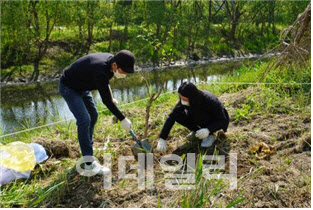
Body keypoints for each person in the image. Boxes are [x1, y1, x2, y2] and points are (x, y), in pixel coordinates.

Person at [59, 50, 135, 175]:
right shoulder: (100, 69)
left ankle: (88, 145)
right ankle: (89, 163)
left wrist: (110, 96)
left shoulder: (111, 63)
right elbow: (106, 101)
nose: (125, 74)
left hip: (83, 87)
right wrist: (122, 118)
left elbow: (105, 84)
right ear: (115, 65)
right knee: (84, 120)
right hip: (69, 88)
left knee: (93, 115)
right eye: (124, 71)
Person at [156, 81, 229, 152]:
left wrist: (208, 130)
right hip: (200, 118)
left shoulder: (209, 101)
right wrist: (162, 138)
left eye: (184, 99)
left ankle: (209, 135)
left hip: (213, 121)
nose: (182, 101)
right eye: (180, 97)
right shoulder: (187, 100)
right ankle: (197, 132)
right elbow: (171, 117)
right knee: (178, 115)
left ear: (192, 97)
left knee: (200, 115)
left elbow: (223, 120)